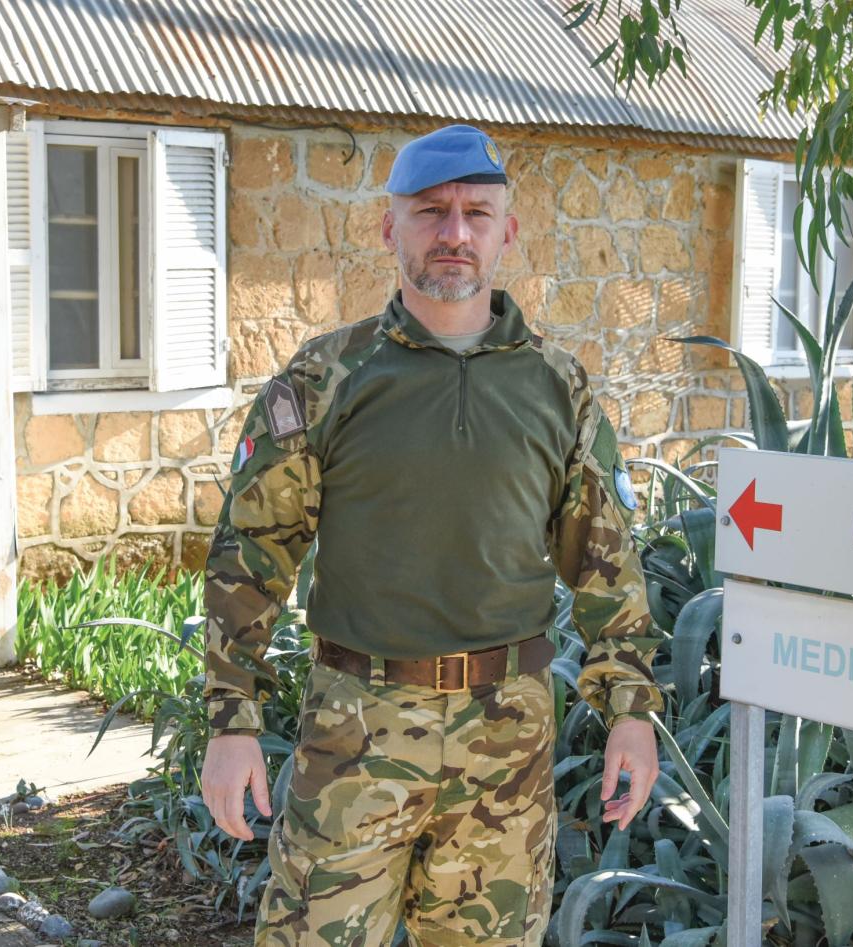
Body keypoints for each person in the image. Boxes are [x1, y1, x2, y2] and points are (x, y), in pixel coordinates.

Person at [200, 123, 663, 946]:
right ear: (391, 228)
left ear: (506, 231)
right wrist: (231, 721)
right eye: (430, 211)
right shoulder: (324, 379)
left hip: (507, 743)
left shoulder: (557, 387)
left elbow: (606, 562)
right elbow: (252, 553)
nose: (455, 232)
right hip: (355, 734)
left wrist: (630, 708)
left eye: (476, 213)